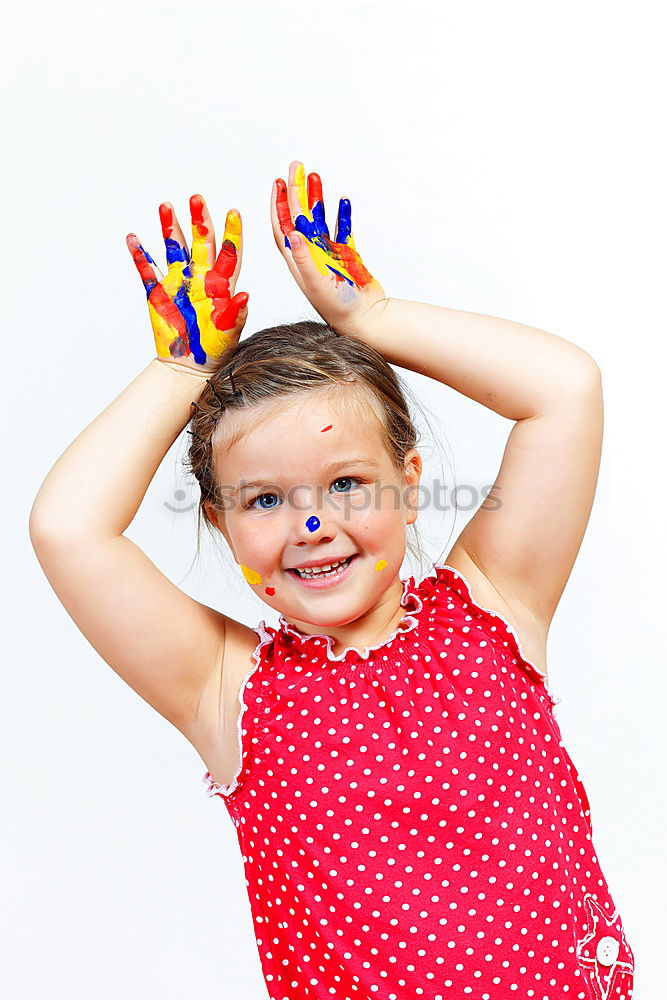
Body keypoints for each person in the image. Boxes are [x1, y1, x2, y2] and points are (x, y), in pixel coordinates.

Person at [29, 160, 635, 999]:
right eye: (267, 498)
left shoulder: (496, 604)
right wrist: (180, 373)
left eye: (347, 483)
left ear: (410, 481)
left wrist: (372, 315)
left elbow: (565, 391)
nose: (312, 525)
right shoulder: (226, 691)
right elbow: (67, 528)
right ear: (219, 522)